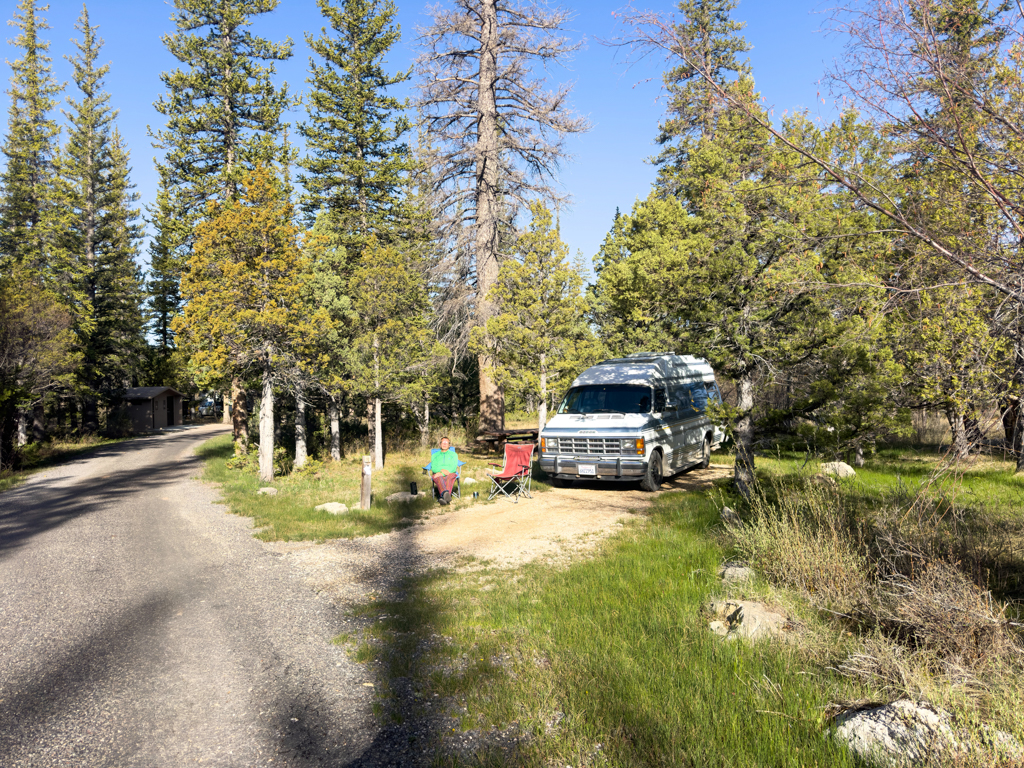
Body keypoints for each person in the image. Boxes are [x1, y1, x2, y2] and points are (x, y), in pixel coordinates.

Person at [430, 436, 460, 505]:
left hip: (450, 473)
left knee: (449, 477)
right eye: (443, 442)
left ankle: (441, 497)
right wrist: (442, 472)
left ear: (449, 445)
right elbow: (434, 467)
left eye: (446, 443)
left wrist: (442, 473)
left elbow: (453, 467)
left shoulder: (454, 455)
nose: (444, 444)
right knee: (438, 477)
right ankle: (445, 496)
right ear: (440, 444)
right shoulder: (434, 455)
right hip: (438, 473)